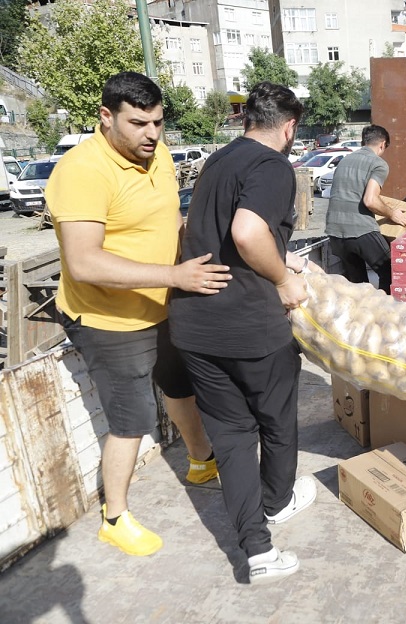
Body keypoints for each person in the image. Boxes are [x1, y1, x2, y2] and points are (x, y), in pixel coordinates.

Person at [46, 72, 227, 557]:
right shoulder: (81, 171)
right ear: (105, 117)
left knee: (179, 384)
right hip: (107, 318)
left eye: (159, 122)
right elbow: (84, 262)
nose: (152, 133)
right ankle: (115, 517)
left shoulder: (158, 155)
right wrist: (175, 278)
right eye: (139, 123)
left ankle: (200, 460)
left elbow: (168, 221)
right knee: (132, 418)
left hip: (160, 302)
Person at [169, 82, 316, 583]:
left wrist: (279, 253)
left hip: (194, 326)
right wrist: (282, 277)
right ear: (290, 126)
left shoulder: (219, 159)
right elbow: (248, 232)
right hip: (250, 328)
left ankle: (256, 551)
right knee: (276, 423)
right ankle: (278, 502)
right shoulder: (274, 166)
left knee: (230, 437)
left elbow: (197, 227)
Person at [324, 125, 406, 293]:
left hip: (335, 233)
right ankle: (385, 314)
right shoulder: (378, 163)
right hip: (360, 231)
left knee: (357, 285)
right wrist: (393, 213)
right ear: (382, 144)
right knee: (391, 271)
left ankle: (362, 316)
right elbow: (370, 200)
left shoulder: (344, 160)